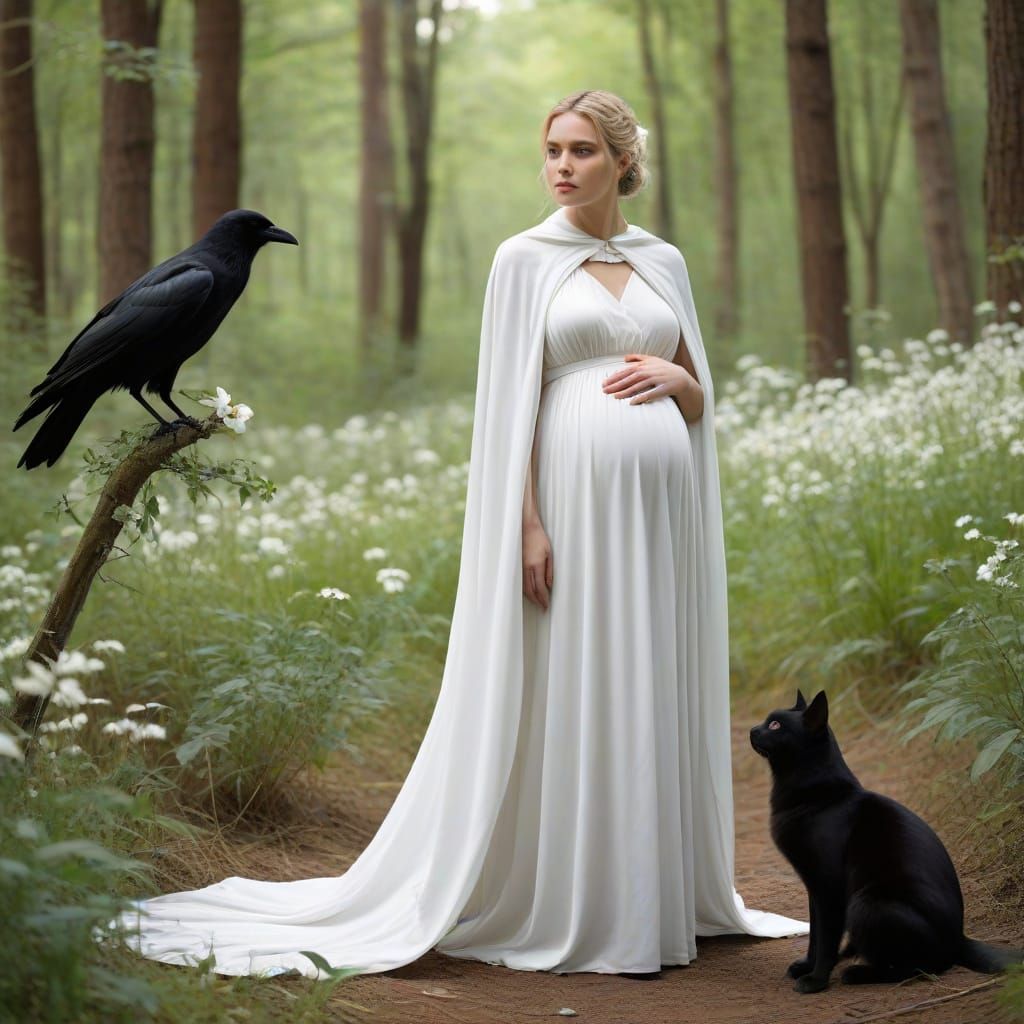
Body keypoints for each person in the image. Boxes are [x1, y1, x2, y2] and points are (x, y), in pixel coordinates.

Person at [116, 90, 808, 980]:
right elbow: (508, 407)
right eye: (552, 148)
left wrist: (679, 379)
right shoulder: (523, 260)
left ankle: (651, 888)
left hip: (658, 518)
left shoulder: (661, 260)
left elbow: (701, 398)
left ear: (623, 162)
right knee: (575, 672)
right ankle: (576, 892)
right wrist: (526, 525)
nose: (562, 165)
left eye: (583, 150)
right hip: (567, 500)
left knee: (646, 669)